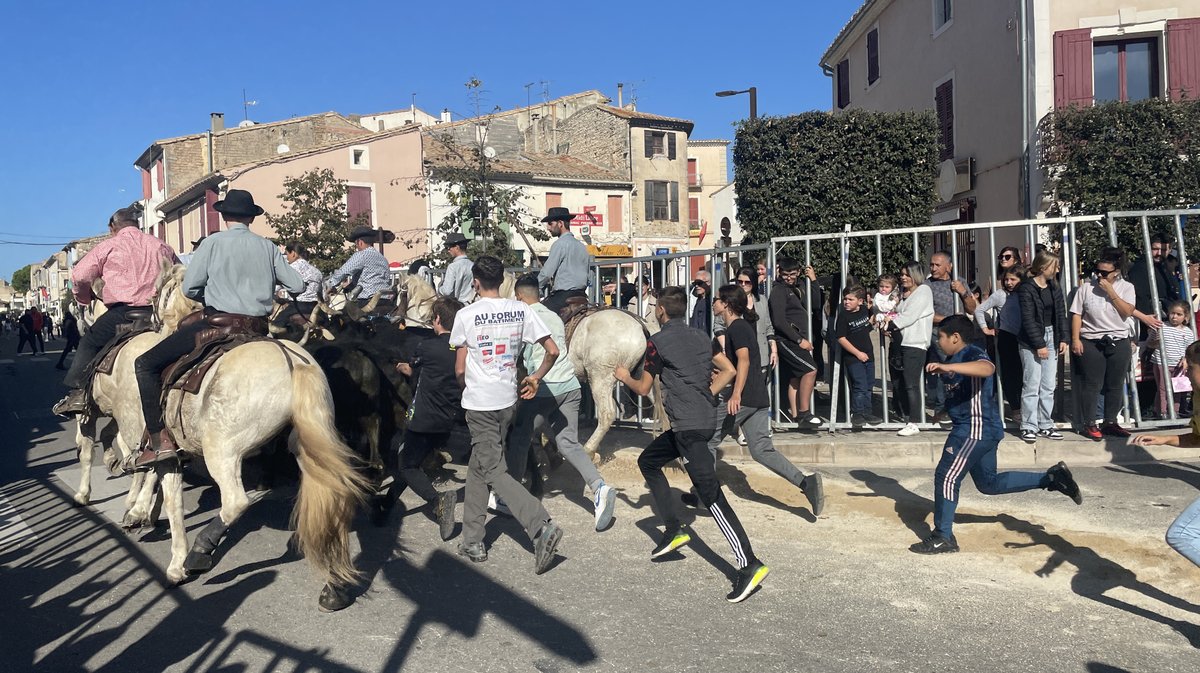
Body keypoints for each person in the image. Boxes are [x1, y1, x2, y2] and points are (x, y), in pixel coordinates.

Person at [614, 286, 770, 603]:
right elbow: (727, 369)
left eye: (657, 306)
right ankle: (674, 529)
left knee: (711, 496)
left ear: (660, 311)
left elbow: (643, 389)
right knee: (648, 462)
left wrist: (623, 376)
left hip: (688, 427)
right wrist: (708, 393)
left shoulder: (656, 342)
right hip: (700, 420)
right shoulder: (702, 337)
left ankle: (749, 563)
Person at [131, 189, 304, 468]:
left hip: (218, 326)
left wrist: (213, 292)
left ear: (224, 216)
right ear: (251, 217)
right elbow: (298, 285)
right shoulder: (269, 247)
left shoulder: (212, 243)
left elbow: (189, 287)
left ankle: (159, 440)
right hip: (259, 329)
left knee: (146, 363)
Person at [910, 315, 1083, 554]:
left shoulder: (971, 353)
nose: (938, 342)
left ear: (955, 337)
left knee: (947, 476)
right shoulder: (953, 359)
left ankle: (943, 536)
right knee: (988, 484)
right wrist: (940, 412)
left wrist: (948, 367)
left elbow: (987, 368)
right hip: (983, 429)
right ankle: (1051, 479)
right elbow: (961, 392)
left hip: (974, 428)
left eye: (940, 336)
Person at [448, 255, 564, 573]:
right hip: (507, 401)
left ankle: (541, 525)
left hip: (480, 403)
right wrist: (536, 377)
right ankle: (472, 538)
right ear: (502, 280)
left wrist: (468, 388)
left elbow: (459, 368)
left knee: (495, 471)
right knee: (480, 465)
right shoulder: (521, 309)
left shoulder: (466, 315)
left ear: (475, 281)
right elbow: (552, 350)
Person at [505, 275, 617, 531]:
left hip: (544, 387)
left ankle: (507, 495)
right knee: (567, 442)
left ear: (520, 297)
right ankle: (599, 488)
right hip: (570, 386)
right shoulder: (555, 316)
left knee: (520, 437)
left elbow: (518, 356)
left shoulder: (523, 317)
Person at [706, 283, 825, 515]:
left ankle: (706, 495)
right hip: (757, 396)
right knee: (761, 450)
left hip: (744, 397)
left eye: (717, 299)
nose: (714, 303)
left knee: (707, 440)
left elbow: (744, 361)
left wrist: (736, 393)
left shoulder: (737, 328)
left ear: (727, 305)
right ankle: (805, 483)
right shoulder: (740, 327)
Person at [52, 204, 179, 416]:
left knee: (89, 341)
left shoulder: (108, 246)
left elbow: (80, 276)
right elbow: (177, 274)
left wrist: (84, 298)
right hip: (156, 314)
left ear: (113, 227)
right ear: (137, 225)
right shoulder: (161, 246)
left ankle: (78, 394)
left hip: (122, 312)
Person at [393, 296, 466, 541]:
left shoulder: (426, 346)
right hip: (452, 419)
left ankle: (438, 502)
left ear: (437, 320)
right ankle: (387, 503)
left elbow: (417, 369)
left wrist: (407, 369)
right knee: (414, 460)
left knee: (406, 465)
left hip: (424, 419)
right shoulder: (465, 349)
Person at [1070, 247, 1159, 441]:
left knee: (1115, 383)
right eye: (1097, 271)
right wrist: (1076, 339)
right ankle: (1090, 423)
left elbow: (1127, 311)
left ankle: (1110, 422)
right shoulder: (1086, 288)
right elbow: (1077, 314)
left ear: (1116, 272)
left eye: (1105, 273)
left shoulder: (1126, 287)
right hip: (1091, 340)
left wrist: (1110, 292)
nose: (1100, 276)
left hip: (1118, 339)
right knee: (1092, 383)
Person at [1132, 340, 1200, 568]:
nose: (1186, 371)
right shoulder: (1197, 395)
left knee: (1181, 534)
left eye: (1190, 367)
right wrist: (1165, 440)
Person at [1015, 250, 1067, 443]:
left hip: (1052, 335)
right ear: (1044, 267)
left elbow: (1060, 313)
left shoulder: (1054, 286)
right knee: (1032, 383)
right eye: (1055, 265)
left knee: (1048, 385)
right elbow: (1028, 318)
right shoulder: (1027, 288)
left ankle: (1046, 423)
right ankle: (1029, 425)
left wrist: (1063, 338)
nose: (1058, 269)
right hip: (1031, 340)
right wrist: (1039, 344)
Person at [881, 261, 934, 437]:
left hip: (915, 343)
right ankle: (906, 416)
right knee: (899, 382)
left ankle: (914, 421)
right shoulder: (905, 294)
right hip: (901, 342)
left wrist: (890, 325)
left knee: (911, 384)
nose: (903, 277)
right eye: (901, 274)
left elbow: (907, 317)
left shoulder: (923, 291)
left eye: (907, 274)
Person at [769, 258, 823, 429]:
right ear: (780, 273)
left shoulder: (798, 287)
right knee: (810, 369)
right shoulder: (779, 290)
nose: (789, 278)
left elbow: (815, 304)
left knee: (796, 378)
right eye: (785, 275)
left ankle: (795, 416)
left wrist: (813, 280)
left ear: (798, 272)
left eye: (792, 274)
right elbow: (778, 321)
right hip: (788, 340)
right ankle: (805, 412)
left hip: (799, 338)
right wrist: (799, 340)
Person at [925, 251, 978, 421]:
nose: (933, 268)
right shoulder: (927, 286)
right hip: (939, 332)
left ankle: (961, 406)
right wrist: (950, 319)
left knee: (961, 368)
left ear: (949, 266)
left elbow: (972, 308)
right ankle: (943, 409)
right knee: (947, 367)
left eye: (937, 265)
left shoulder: (959, 281)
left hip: (960, 334)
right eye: (931, 264)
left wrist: (963, 292)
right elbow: (926, 313)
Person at [974, 266, 1027, 420]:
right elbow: (979, 310)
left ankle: (1026, 408)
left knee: (1026, 374)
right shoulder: (1000, 294)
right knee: (1011, 375)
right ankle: (1016, 409)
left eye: (1013, 279)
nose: (1009, 283)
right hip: (1007, 337)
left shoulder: (1025, 293)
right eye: (1006, 279)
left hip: (1024, 337)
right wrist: (986, 329)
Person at [836, 286, 880, 426]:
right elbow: (841, 338)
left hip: (869, 355)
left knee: (869, 385)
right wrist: (857, 353)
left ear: (860, 301)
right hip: (854, 357)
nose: (846, 302)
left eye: (850, 299)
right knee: (860, 385)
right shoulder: (843, 316)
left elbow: (868, 324)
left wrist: (874, 320)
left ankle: (868, 412)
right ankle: (857, 413)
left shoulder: (863, 310)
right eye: (845, 299)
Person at [537, 207, 591, 316]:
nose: (548, 228)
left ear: (560, 223)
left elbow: (547, 273)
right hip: (582, 296)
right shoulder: (581, 246)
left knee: (537, 315)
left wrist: (535, 287)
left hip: (564, 297)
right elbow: (590, 275)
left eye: (550, 224)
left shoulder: (560, 244)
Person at [1147, 300, 1193, 417]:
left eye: (1179, 314)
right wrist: (1154, 339)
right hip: (1162, 362)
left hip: (1179, 365)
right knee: (1163, 388)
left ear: (1185, 317)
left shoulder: (1188, 332)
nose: (1174, 317)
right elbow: (1150, 343)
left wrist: (1186, 360)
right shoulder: (1161, 326)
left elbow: (1189, 349)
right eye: (1172, 313)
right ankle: (1162, 412)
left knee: (1178, 389)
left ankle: (1175, 411)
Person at [326, 225, 392, 307]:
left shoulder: (362, 255)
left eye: (355, 244)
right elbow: (373, 278)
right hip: (386, 301)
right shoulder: (383, 259)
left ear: (359, 242)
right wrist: (351, 286)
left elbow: (343, 272)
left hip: (367, 302)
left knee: (340, 316)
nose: (356, 247)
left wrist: (330, 285)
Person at [284, 242, 323, 316]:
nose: (287, 257)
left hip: (296, 308)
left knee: (275, 325)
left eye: (287, 254)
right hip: (316, 309)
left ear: (293, 253)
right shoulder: (317, 271)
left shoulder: (289, 269)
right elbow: (322, 294)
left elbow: (276, 287)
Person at [438, 232, 476, 304]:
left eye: (449, 247)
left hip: (457, 307)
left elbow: (447, 291)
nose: (448, 250)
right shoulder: (473, 265)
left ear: (457, 247)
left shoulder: (453, 267)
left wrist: (439, 289)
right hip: (471, 305)